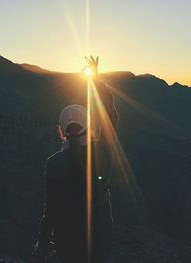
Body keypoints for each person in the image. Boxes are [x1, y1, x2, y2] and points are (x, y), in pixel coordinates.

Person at [34, 56, 119, 263]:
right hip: (99, 237)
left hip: (66, 240)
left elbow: (51, 209)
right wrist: (96, 82)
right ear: (89, 126)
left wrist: (42, 244)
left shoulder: (53, 163)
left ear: (61, 131)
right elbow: (111, 118)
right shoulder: (101, 152)